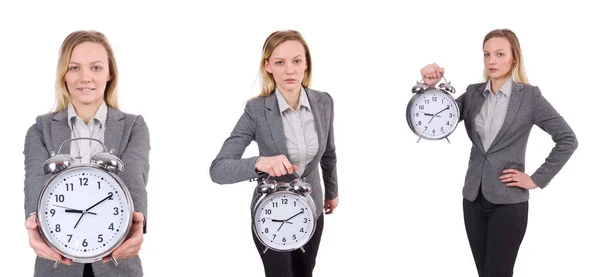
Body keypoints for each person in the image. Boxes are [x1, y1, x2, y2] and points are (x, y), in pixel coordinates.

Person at [420, 28, 578, 277]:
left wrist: (536, 179)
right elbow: (435, 122)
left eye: (499, 54)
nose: (491, 60)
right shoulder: (473, 93)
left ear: (514, 58)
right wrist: (431, 88)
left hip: (508, 203)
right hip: (473, 199)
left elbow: (567, 139)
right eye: (486, 54)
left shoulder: (529, 97)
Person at [210, 30, 339, 277]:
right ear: (268, 66)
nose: (289, 70)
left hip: (311, 210)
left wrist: (332, 193)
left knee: (305, 273)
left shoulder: (324, 102)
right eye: (280, 62)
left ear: (306, 63)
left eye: (296, 61)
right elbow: (218, 169)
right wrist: (261, 163)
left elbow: (329, 154)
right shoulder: (256, 110)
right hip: (271, 214)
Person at [23, 30, 150, 277]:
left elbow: (135, 178)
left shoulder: (133, 126)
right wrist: (32, 222)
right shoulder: (40, 129)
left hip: (117, 265)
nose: (85, 78)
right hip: (57, 265)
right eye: (74, 68)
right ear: (64, 75)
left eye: (95, 68)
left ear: (109, 74)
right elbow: (34, 186)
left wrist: (139, 222)